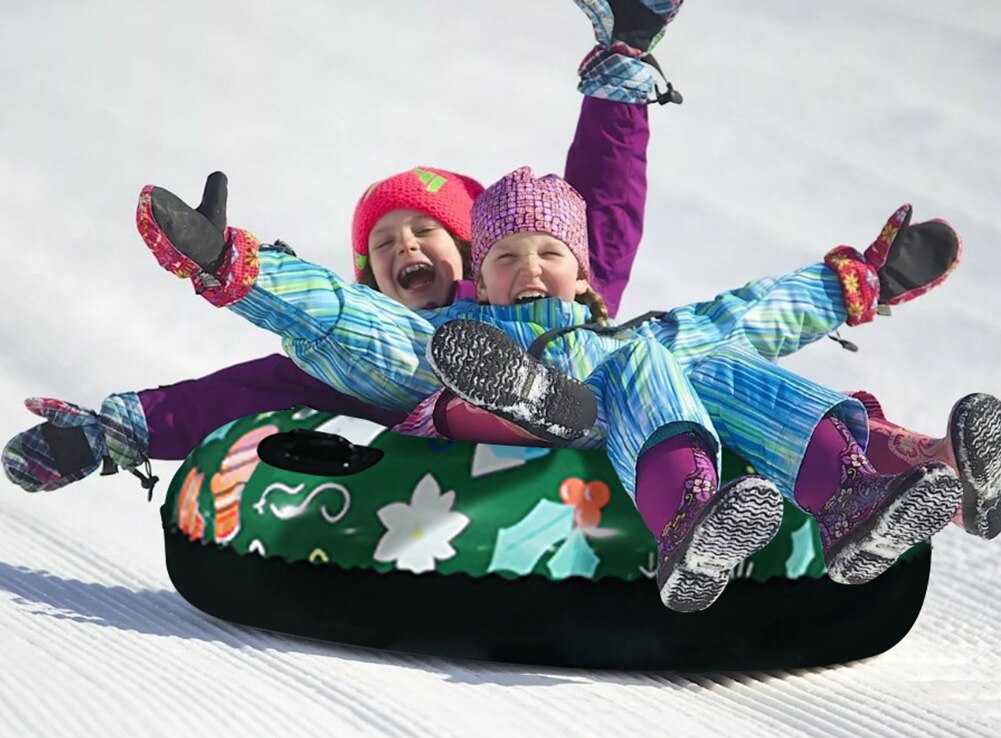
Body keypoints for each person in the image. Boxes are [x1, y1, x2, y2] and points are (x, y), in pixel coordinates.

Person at [121, 158, 974, 610]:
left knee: (710, 359)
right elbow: (349, 322)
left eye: (548, 254)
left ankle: (852, 498)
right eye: (506, 257)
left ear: (582, 274)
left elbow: (742, 314)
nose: (527, 268)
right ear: (478, 277)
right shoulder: (444, 332)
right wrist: (235, 264)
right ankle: (599, 457)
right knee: (447, 356)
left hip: (614, 405)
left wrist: (853, 283)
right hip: (467, 406)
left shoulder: (622, 334)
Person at [2, 0, 682, 494]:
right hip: (440, 476)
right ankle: (238, 268)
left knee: (609, 305)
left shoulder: (545, 294)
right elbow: (237, 394)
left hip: (578, 442)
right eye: (383, 244)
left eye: (426, 232)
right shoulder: (363, 350)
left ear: (479, 257)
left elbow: (601, 208)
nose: (404, 246)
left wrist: (621, 73)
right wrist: (106, 432)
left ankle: (699, 483)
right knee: (362, 346)